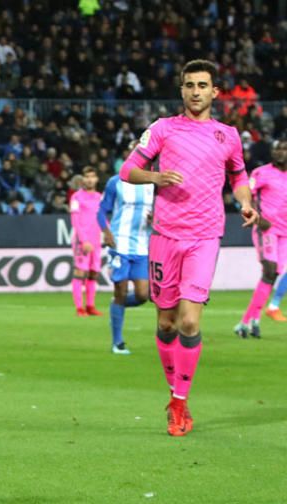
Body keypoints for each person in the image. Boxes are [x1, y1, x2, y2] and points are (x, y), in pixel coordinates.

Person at [120, 59, 257, 436]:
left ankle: (179, 404)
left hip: (205, 237)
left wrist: (245, 202)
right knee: (165, 324)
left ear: (215, 92)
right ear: (181, 91)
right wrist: (155, 176)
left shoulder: (227, 135)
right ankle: (173, 392)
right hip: (165, 237)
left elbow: (238, 175)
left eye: (203, 85)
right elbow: (126, 170)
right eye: (189, 85)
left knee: (190, 321)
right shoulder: (163, 129)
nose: (196, 91)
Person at [97, 142, 154, 354]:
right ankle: (117, 342)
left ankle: (116, 307)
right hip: (119, 243)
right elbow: (101, 211)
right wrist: (107, 231)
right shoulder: (116, 182)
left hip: (142, 245)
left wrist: (155, 218)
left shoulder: (153, 183)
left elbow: (161, 213)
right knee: (120, 290)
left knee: (142, 295)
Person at [235, 140, 287, 337]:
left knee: (272, 275)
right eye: (277, 149)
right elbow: (246, 194)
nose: (279, 152)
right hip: (267, 229)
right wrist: (256, 216)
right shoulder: (261, 173)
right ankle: (250, 320)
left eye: (283, 149)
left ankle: (248, 321)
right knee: (270, 270)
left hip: (285, 233)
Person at [70, 166, 104, 316]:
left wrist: (108, 233)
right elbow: (75, 220)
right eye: (87, 176)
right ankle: (79, 308)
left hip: (96, 241)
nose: (90, 179)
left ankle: (90, 306)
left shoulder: (100, 197)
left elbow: (102, 217)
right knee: (80, 273)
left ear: (96, 179)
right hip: (82, 241)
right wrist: (84, 240)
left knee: (93, 273)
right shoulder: (76, 197)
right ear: (83, 179)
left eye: (92, 176)